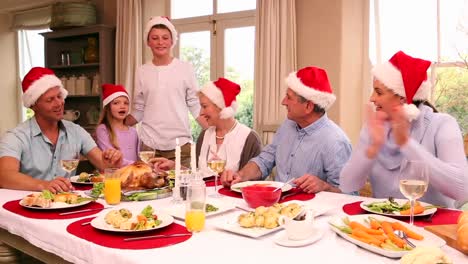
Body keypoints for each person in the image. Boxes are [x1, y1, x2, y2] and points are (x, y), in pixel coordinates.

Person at [340, 51, 468, 208]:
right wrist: (372, 148)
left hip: (433, 227)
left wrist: (406, 144)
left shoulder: (443, 124)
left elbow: (462, 190)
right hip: (383, 224)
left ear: (403, 97)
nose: (371, 98)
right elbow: (347, 185)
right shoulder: (374, 127)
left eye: (378, 92)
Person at [221, 66, 352, 193]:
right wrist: (241, 176)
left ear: (308, 106)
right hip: (276, 207)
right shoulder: (287, 125)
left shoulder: (336, 142)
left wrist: (324, 187)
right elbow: (264, 160)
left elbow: (350, 195)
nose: (283, 102)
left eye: (289, 97)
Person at [0, 67, 123, 193]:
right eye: (50, 100)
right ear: (33, 105)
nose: (59, 103)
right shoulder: (15, 137)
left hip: (67, 204)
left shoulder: (76, 131)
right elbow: (5, 177)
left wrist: (113, 162)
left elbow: (104, 164)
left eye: (59, 96)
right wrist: (44, 185)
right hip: (27, 207)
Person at [125, 16, 208, 168]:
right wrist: (115, 123)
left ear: (172, 41)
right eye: (155, 38)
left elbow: (195, 106)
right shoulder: (141, 71)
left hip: (181, 146)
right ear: (148, 42)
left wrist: (213, 129)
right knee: (150, 190)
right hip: (149, 148)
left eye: (165, 38)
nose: (160, 42)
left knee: (183, 189)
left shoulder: (185, 68)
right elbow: (138, 110)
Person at [152, 78, 262, 173]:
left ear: (220, 106)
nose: (200, 113)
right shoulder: (205, 135)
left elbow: (249, 185)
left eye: (204, 106)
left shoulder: (249, 139)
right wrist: (174, 166)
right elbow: (198, 176)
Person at [96, 84, 138, 166]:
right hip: (113, 176)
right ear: (108, 107)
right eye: (116, 103)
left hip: (132, 175)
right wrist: (136, 165)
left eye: (126, 103)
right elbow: (112, 159)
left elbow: (138, 157)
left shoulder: (134, 132)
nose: (122, 106)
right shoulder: (102, 129)